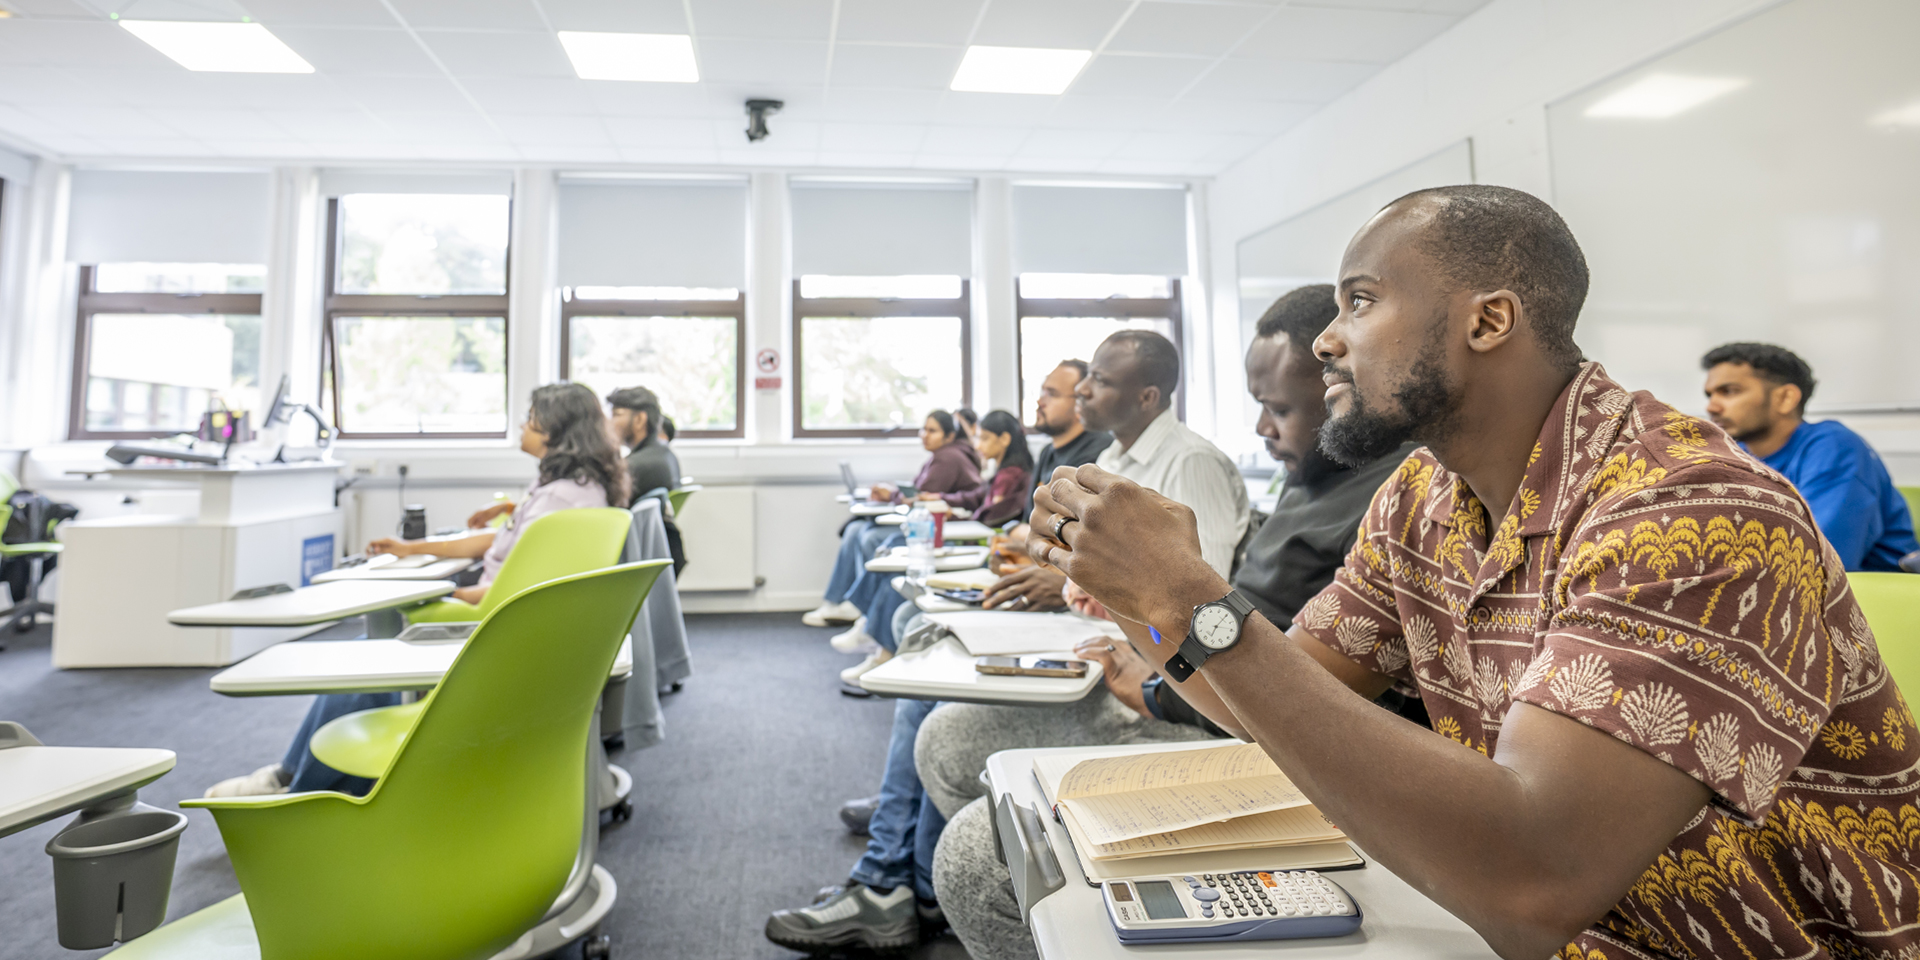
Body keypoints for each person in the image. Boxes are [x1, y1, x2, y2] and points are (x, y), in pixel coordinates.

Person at [959, 185, 1920, 960]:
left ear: (1489, 320)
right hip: (1524, 915)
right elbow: (1277, 697)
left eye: (1361, 301)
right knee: (1000, 862)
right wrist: (1139, 597)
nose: (1328, 339)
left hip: (1667, 932)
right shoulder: (1424, 494)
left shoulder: (1692, 510)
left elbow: (1538, 885)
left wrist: (1189, 597)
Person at [767, 332, 1263, 955]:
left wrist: (1079, 589)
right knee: (930, 644)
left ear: (1147, 395)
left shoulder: (1191, 463)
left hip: (1147, 667)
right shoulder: (1115, 460)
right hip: (1106, 636)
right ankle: (901, 872)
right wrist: (1064, 575)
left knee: (940, 704)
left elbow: (1198, 604)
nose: (1084, 390)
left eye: (1098, 381)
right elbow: (1117, 574)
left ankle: (895, 873)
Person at [204, 383, 630, 798]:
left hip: (485, 625)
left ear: (556, 430)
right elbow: (504, 546)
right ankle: (297, 777)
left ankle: (298, 785)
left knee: (366, 655)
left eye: (531, 420)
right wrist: (414, 550)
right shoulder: (571, 489)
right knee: (369, 650)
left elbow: (519, 591)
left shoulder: (561, 500)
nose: (522, 427)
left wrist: (438, 595)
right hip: (494, 615)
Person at [1700, 342, 1917, 571]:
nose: (1712, 407)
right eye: (1709, 394)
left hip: (1878, 592)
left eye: (1729, 391)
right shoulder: (1732, 455)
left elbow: (1817, 559)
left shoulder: (1835, 447)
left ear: (1785, 398)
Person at [802, 411, 981, 629]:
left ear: (949, 436)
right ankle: (844, 603)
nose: (924, 435)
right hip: (929, 523)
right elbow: (917, 493)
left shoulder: (948, 457)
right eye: (923, 429)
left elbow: (920, 497)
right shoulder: (941, 455)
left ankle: (863, 608)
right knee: (857, 528)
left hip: (941, 530)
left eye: (932, 431)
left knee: (871, 536)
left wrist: (892, 495)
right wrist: (894, 493)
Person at [980, 359, 1113, 614]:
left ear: (1080, 402)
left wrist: (1030, 539)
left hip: (1076, 593)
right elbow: (1028, 523)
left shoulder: (1097, 454)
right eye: (1042, 392)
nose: (1040, 401)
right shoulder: (1046, 453)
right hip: (1047, 570)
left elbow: (1063, 538)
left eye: (1051, 394)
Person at [606, 385, 682, 501]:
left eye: (617, 415)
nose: (610, 423)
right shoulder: (667, 455)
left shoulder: (633, 467)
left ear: (639, 420)